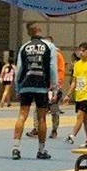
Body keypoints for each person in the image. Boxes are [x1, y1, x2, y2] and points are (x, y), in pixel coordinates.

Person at [11, 21, 55, 160]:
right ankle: (41, 150)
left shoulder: (24, 47)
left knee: (22, 115)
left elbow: (19, 70)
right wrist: (54, 87)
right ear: (37, 31)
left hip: (26, 85)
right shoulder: (49, 46)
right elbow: (52, 68)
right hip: (41, 85)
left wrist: (18, 87)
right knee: (41, 118)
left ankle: (16, 148)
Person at [68, 42, 87, 146]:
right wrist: (68, 94)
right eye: (80, 50)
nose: (81, 52)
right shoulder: (77, 65)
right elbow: (74, 81)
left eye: (84, 51)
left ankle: (72, 135)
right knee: (85, 119)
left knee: (80, 115)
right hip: (79, 95)